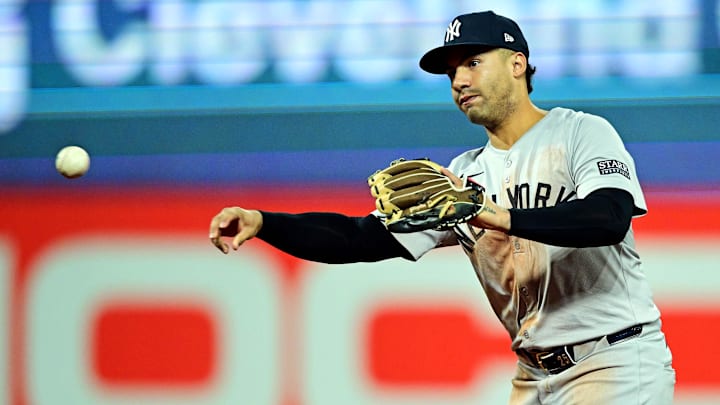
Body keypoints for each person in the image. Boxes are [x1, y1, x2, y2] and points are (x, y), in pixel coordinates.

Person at [209, 10, 675, 404]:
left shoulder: (580, 133)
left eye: (472, 62)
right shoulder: (461, 176)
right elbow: (358, 237)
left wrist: (498, 215)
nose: (459, 80)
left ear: (518, 64)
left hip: (614, 360)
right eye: (452, 71)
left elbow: (610, 218)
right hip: (533, 375)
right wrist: (263, 222)